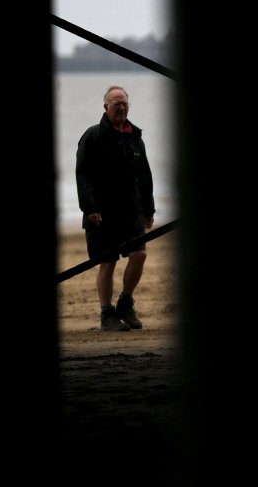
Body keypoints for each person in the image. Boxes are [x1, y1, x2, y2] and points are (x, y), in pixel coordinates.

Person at [76, 85, 155, 332]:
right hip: (101, 213)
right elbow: (83, 174)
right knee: (107, 261)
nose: (121, 107)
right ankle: (106, 314)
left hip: (131, 211)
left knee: (139, 254)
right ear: (106, 108)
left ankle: (125, 303)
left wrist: (149, 209)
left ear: (128, 106)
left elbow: (144, 175)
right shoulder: (93, 136)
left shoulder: (135, 136)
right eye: (115, 104)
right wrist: (90, 207)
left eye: (124, 103)